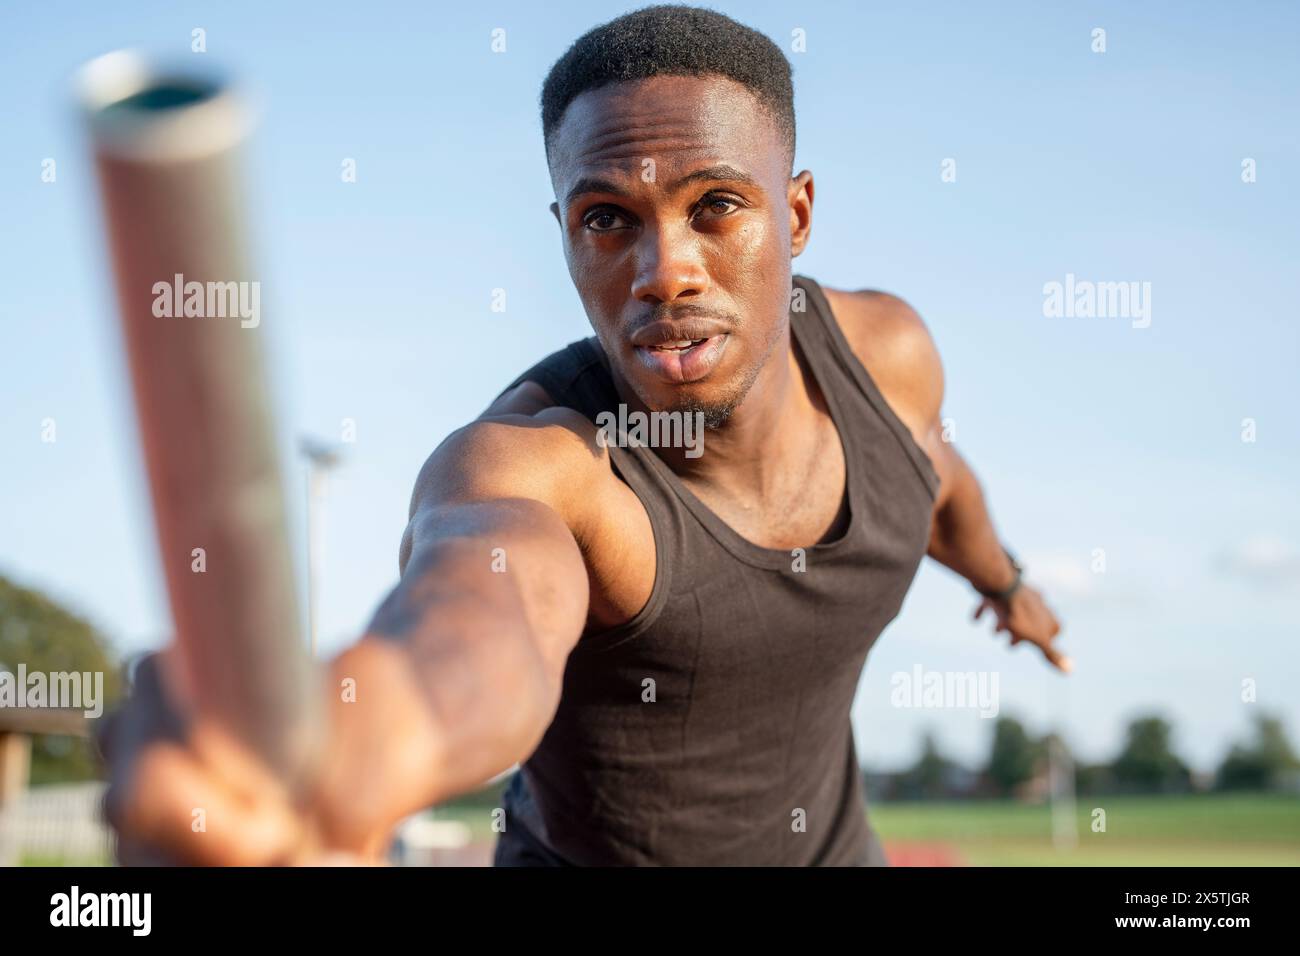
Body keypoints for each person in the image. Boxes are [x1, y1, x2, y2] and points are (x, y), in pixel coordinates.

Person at [101, 4, 1067, 866]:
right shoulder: (541, 463)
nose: (665, 271)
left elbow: (937, 484)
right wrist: (365, 741)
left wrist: (1005, 583)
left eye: (717, 206)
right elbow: (485, 615)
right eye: (608, 219)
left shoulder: (888, 356)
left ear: (798, 213)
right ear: (565, 231)